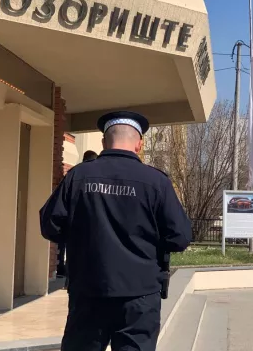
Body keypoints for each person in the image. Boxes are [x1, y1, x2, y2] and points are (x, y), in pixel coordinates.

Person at [40, 111, 192, 351]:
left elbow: (50, 225)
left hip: (89, 290)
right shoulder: (156, 182)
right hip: (140, 295)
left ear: (103, 142)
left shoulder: (78, 176)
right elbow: (180, 237)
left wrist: (81, 236)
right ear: (139, 144)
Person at [61, 149, 99, 290]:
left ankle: (69, 282)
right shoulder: (98, 177)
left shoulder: (74, 175)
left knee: (74, 259)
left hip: (76, 230)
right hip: (93, 230)